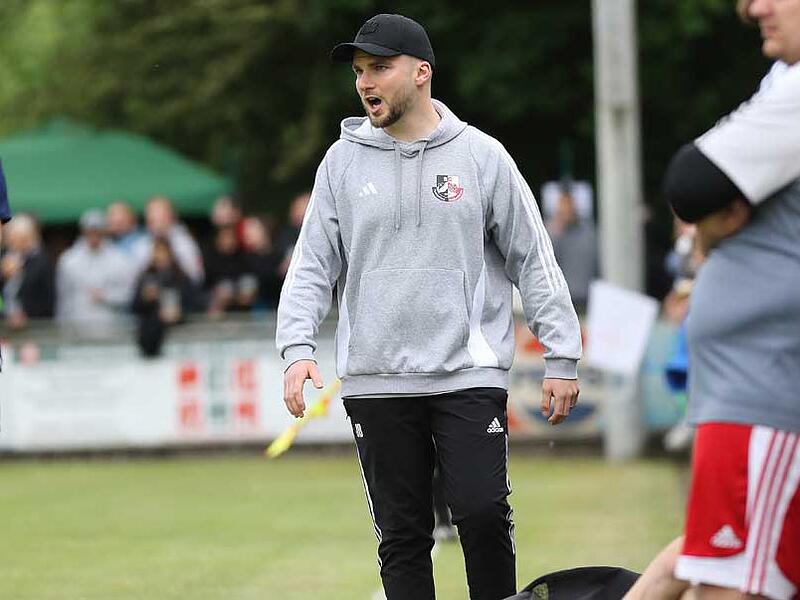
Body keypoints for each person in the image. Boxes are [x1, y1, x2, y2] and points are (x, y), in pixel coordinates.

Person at [276, 14, 581, 600]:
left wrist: (562, 355)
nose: (366, 83)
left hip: (468, 373)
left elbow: (532, 258)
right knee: (402, 537)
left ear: (421, 73)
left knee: (482, 512)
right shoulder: (340, 164)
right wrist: (296, 349)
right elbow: (312, 264)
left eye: (380, 68)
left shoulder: (483, 157)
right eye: (360, 71)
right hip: (376, 379)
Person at [626, 0, 800, 598]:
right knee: (718, 570)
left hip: (765, 393)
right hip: (756, 395)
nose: (752, 8)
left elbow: (689, 182)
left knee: (727, 581)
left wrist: (707, 230)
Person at [56, 209, 137, 332]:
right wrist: (62, 327)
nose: (93, 236)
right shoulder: (69, 260)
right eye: (90, 231)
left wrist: (106, 296)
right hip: (77, 330)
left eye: (97, 231)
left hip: (110, 331)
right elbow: (63, 298)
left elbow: (129, 294)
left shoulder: (120, 260)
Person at [131, 236, 204, 357]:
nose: (160, 256)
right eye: (156, 252)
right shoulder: (146, 277)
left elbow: (195, 303)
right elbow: (134, 307)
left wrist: (180, 313)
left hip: (181, 339)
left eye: (163, 252)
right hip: (151, 336)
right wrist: (145, 299)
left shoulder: (181, 278)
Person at [545, 185, 599, 313]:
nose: (567, 209)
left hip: (587, 299)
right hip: (562, 301)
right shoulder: (550, 234)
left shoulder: (590, 234)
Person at [133, 196, 204, 284]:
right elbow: (134, 278)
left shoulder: (185, 243)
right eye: (152, 219)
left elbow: (197, 276)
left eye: (161, 218)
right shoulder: (141, 244)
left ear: (172, 217)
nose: (157, 224)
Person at [0, 214, 55, 329]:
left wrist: (25, 315)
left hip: (33, 324)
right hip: (5, 322)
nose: (13, 242)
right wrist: (3, 275)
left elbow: (47, 297)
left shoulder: (41, 261)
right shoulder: (4, 256)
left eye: (19, 237)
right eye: (11, 237)